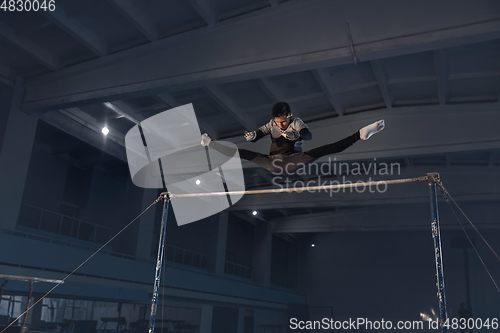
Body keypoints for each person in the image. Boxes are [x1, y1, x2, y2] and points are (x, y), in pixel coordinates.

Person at [201, 102, 385, 174]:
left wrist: (295, 134)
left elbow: (309, 136)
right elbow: (258, 136)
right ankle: (209, 143)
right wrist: (252, 136)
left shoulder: (296, 122)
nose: (280, 124)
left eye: (283, 121)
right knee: (242, 153)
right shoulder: (271, 124)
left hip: (293, 160)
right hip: (272, 162)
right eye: (278, 121)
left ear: (290, 116)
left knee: (327, 149)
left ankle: (360, 135)